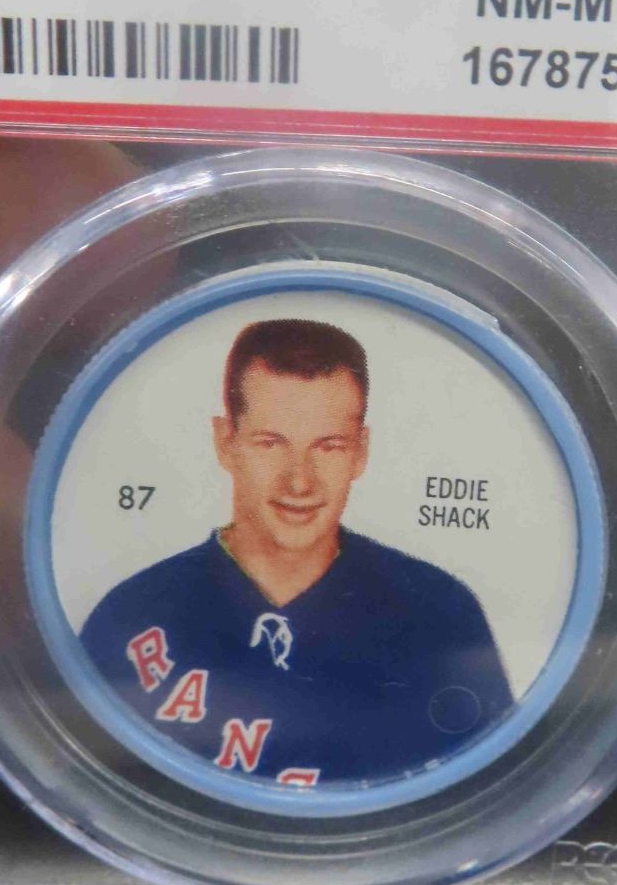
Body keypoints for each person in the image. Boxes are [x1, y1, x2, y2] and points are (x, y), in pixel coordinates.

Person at [80, 318, 511, 787]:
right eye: (270, 444)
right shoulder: (131, 614)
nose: (299, 482)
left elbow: (490, 797)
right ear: (225, 443)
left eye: (329, 447)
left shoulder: (441, 615)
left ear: (360, 452)